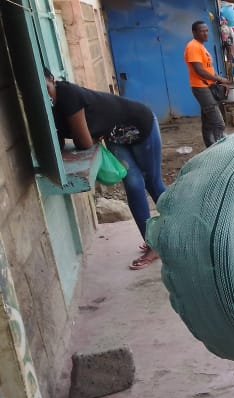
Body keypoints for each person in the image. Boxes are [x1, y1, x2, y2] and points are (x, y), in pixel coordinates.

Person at [45, 68, 166, 270]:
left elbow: (84, 142)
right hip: (115, 135)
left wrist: (85, 136)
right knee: (133, 185)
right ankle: (154, 244)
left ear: (52, 79)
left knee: (153, 182)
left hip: (139, 125)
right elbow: (74, 138)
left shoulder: (66, 94)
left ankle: (181, 230)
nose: (45, 94)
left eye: (46, 87)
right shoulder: (51, 108)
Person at [185, 21, 230, 147]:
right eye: (202, 31)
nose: (205, 33)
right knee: (218, 122)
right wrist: (219, 78)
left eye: (206, 30)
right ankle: (220, 148)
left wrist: (217, 80)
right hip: (201, 87)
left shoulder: (200, 46)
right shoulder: (193, 47)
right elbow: (199, 71)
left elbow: (207, 68)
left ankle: (210, 147)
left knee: (208, 122)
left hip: (207, 86)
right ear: (194, 32)